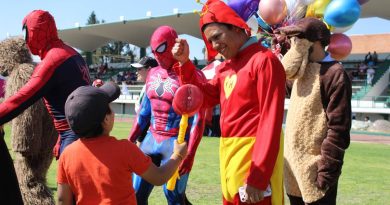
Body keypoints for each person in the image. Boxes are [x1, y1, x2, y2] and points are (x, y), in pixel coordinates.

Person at [172, 0, 286, 204]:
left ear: (236, 26)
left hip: (254, 163)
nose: (215, 46)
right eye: (210, 41)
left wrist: (258, 177)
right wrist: (185, 63)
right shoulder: (226, 67)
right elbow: (204, 98)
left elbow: (271, 122)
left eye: (217, 37)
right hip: (229, 158)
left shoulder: (264, 61)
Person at [57, 82, 188, 204]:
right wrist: (178, 155)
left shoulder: (67, 154)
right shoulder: (125, 149)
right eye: (110, 107)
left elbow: (63, 199)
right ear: (106, 119)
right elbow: (159, 177)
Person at [275, 17, 352, 205]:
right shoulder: (299, 72)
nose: (295, 45)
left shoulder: (335, 73)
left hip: (317, 171)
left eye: (298, 39)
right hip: (293, 169)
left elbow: (339, 129)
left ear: (316, 41)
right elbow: (277, 85)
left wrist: (326, 172)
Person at [128, 25, 206, 205]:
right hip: (150, 139)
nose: (157, 55)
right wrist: (129, 141)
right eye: (153, 51)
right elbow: (144, 114)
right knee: (135, 195)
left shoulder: (192, 75)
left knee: (174, 196)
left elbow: (199, 119)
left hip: (175, 142)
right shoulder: (153, 73)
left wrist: (190, 154)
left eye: (161, 49)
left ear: (173, 44)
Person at [0, 10, 90, 158]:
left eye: (27, 32)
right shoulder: (72, 53)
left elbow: (22, 99)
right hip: (83, 132)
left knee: (68, 181)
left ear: (34, 31)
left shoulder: (53, 60)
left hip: (73, 137)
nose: (26, 39)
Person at [131, 56, 158, 146]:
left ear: (149, 69)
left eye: (139, 69)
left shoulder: (153, 88)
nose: (136, 72)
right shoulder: (148, 86)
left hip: (147, 139)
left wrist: (139, 140)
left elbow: (147, 117)